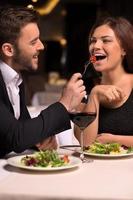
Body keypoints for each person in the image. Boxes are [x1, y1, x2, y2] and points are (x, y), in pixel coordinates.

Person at [0, 6, 86, 158]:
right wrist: (64, 104)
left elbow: (18, 130)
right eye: (33, 42)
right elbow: (15, 136)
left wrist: (38, 140)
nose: (42, 46)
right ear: (8, 50)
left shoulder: (15, 78)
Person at [74, 16, 133, 147]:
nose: (96, 46)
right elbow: (85, 143)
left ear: (124, 49)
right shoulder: (85, 86)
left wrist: (114, 140)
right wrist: (94, 95)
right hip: (96, 167)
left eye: (106, 41)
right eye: (92, 41)